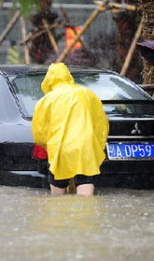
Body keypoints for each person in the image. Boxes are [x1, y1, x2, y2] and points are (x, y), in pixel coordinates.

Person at [32, 63, 109, 196]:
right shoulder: (87, 94)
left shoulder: (46, 100)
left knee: (58, 198)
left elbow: (39, 133)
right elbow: (102, 125)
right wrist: (97, 147)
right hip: (85, 147)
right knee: (85, 188)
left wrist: (48, 147)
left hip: (60, 148)